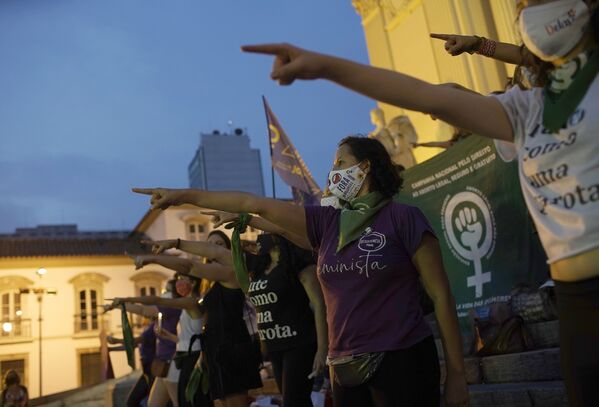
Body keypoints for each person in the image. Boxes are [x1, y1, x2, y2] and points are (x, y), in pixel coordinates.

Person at [240, 1, 599, 404]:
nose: (531, 10)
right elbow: (430, 98)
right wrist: (325, 67)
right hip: (575, 301)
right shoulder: (526, 109)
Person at [132, 135, 469, 407]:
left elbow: (441, 296)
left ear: (364, 168)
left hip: (403, 359)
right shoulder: (328, 223)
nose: (333, 172)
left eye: (341, 163)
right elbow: (254, 203)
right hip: (345, 367)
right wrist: (183, 196)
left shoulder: (404, 218)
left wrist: (456, 375)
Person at [147, 227, 328, 407]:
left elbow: (320, 306)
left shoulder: (292, 266)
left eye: (267, 232)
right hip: (267, 345)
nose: (261, 236)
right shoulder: (257, 267)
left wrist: (322, 349)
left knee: (293, 402)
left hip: (285, 343)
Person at [130, 231, 262, 407]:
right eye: (209, 244)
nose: (213, 248)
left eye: (219, 244)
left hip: (232, 347)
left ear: (228, 250)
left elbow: (189, 266)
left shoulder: (231, 272)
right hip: (215, 350)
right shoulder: (209, 284)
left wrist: (154, 258)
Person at [116, 267, 212, 407]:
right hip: (179, 355)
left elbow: (150, 306)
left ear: (193, 282)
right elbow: (187, 337)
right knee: (155, 402)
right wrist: (169, 336)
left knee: (180, 401)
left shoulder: (192, 303)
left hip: (189, 357)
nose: (178, 283)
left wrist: (126, 301)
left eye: (182, 279)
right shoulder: (187, 305)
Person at [106, 321, 157, 407]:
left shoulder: (152, 328)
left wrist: (116, 340)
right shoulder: (148, 328)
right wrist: (112, 349)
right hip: (146, 372)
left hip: (152, 370)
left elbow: (134, 342)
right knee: (132, 402)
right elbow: (131, 346)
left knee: (135, 401)